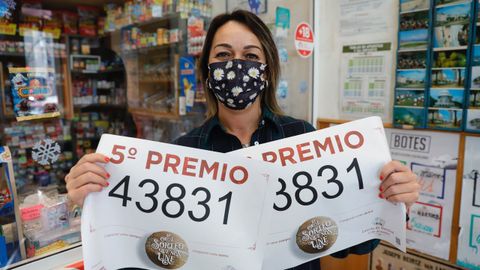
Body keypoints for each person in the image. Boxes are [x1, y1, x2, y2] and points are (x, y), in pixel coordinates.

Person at [65, 10, 420, 270]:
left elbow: (352, 241)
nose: (236, 66)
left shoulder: (302, 137)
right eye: (223, 55)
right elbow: (147, 250)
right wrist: (93, 200)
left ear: (267, 71)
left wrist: (389, 200)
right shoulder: (182, 153)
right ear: (207, 69)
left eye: (250, 56)